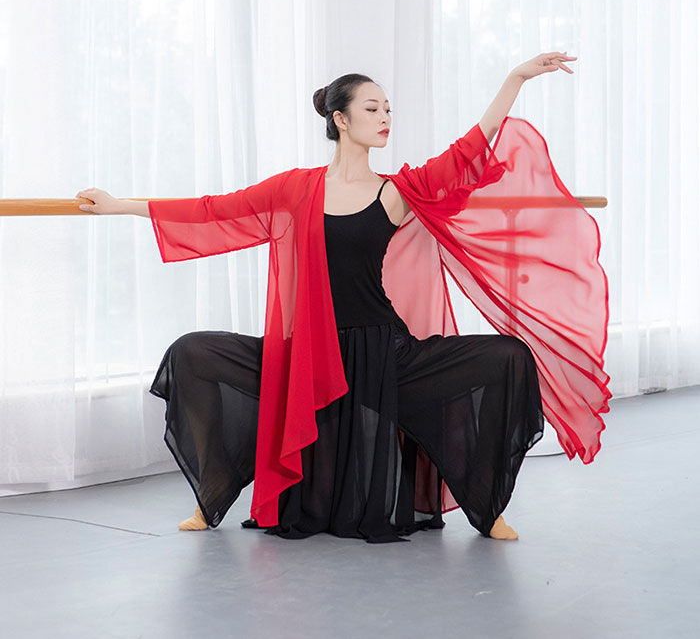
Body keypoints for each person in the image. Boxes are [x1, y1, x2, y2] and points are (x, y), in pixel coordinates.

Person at [77, 51, 610, 543]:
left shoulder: (396, 191)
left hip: (382, 351)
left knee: (508, 358)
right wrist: (121, 205)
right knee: (193, 353)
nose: (385, 117)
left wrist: (515, 79)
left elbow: (467, 151)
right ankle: (211, 497)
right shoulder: (295, 188)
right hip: (308, 350)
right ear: (341, 119)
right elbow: (215, 209)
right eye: (372, 108)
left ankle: (486, 509)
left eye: (388, 109)